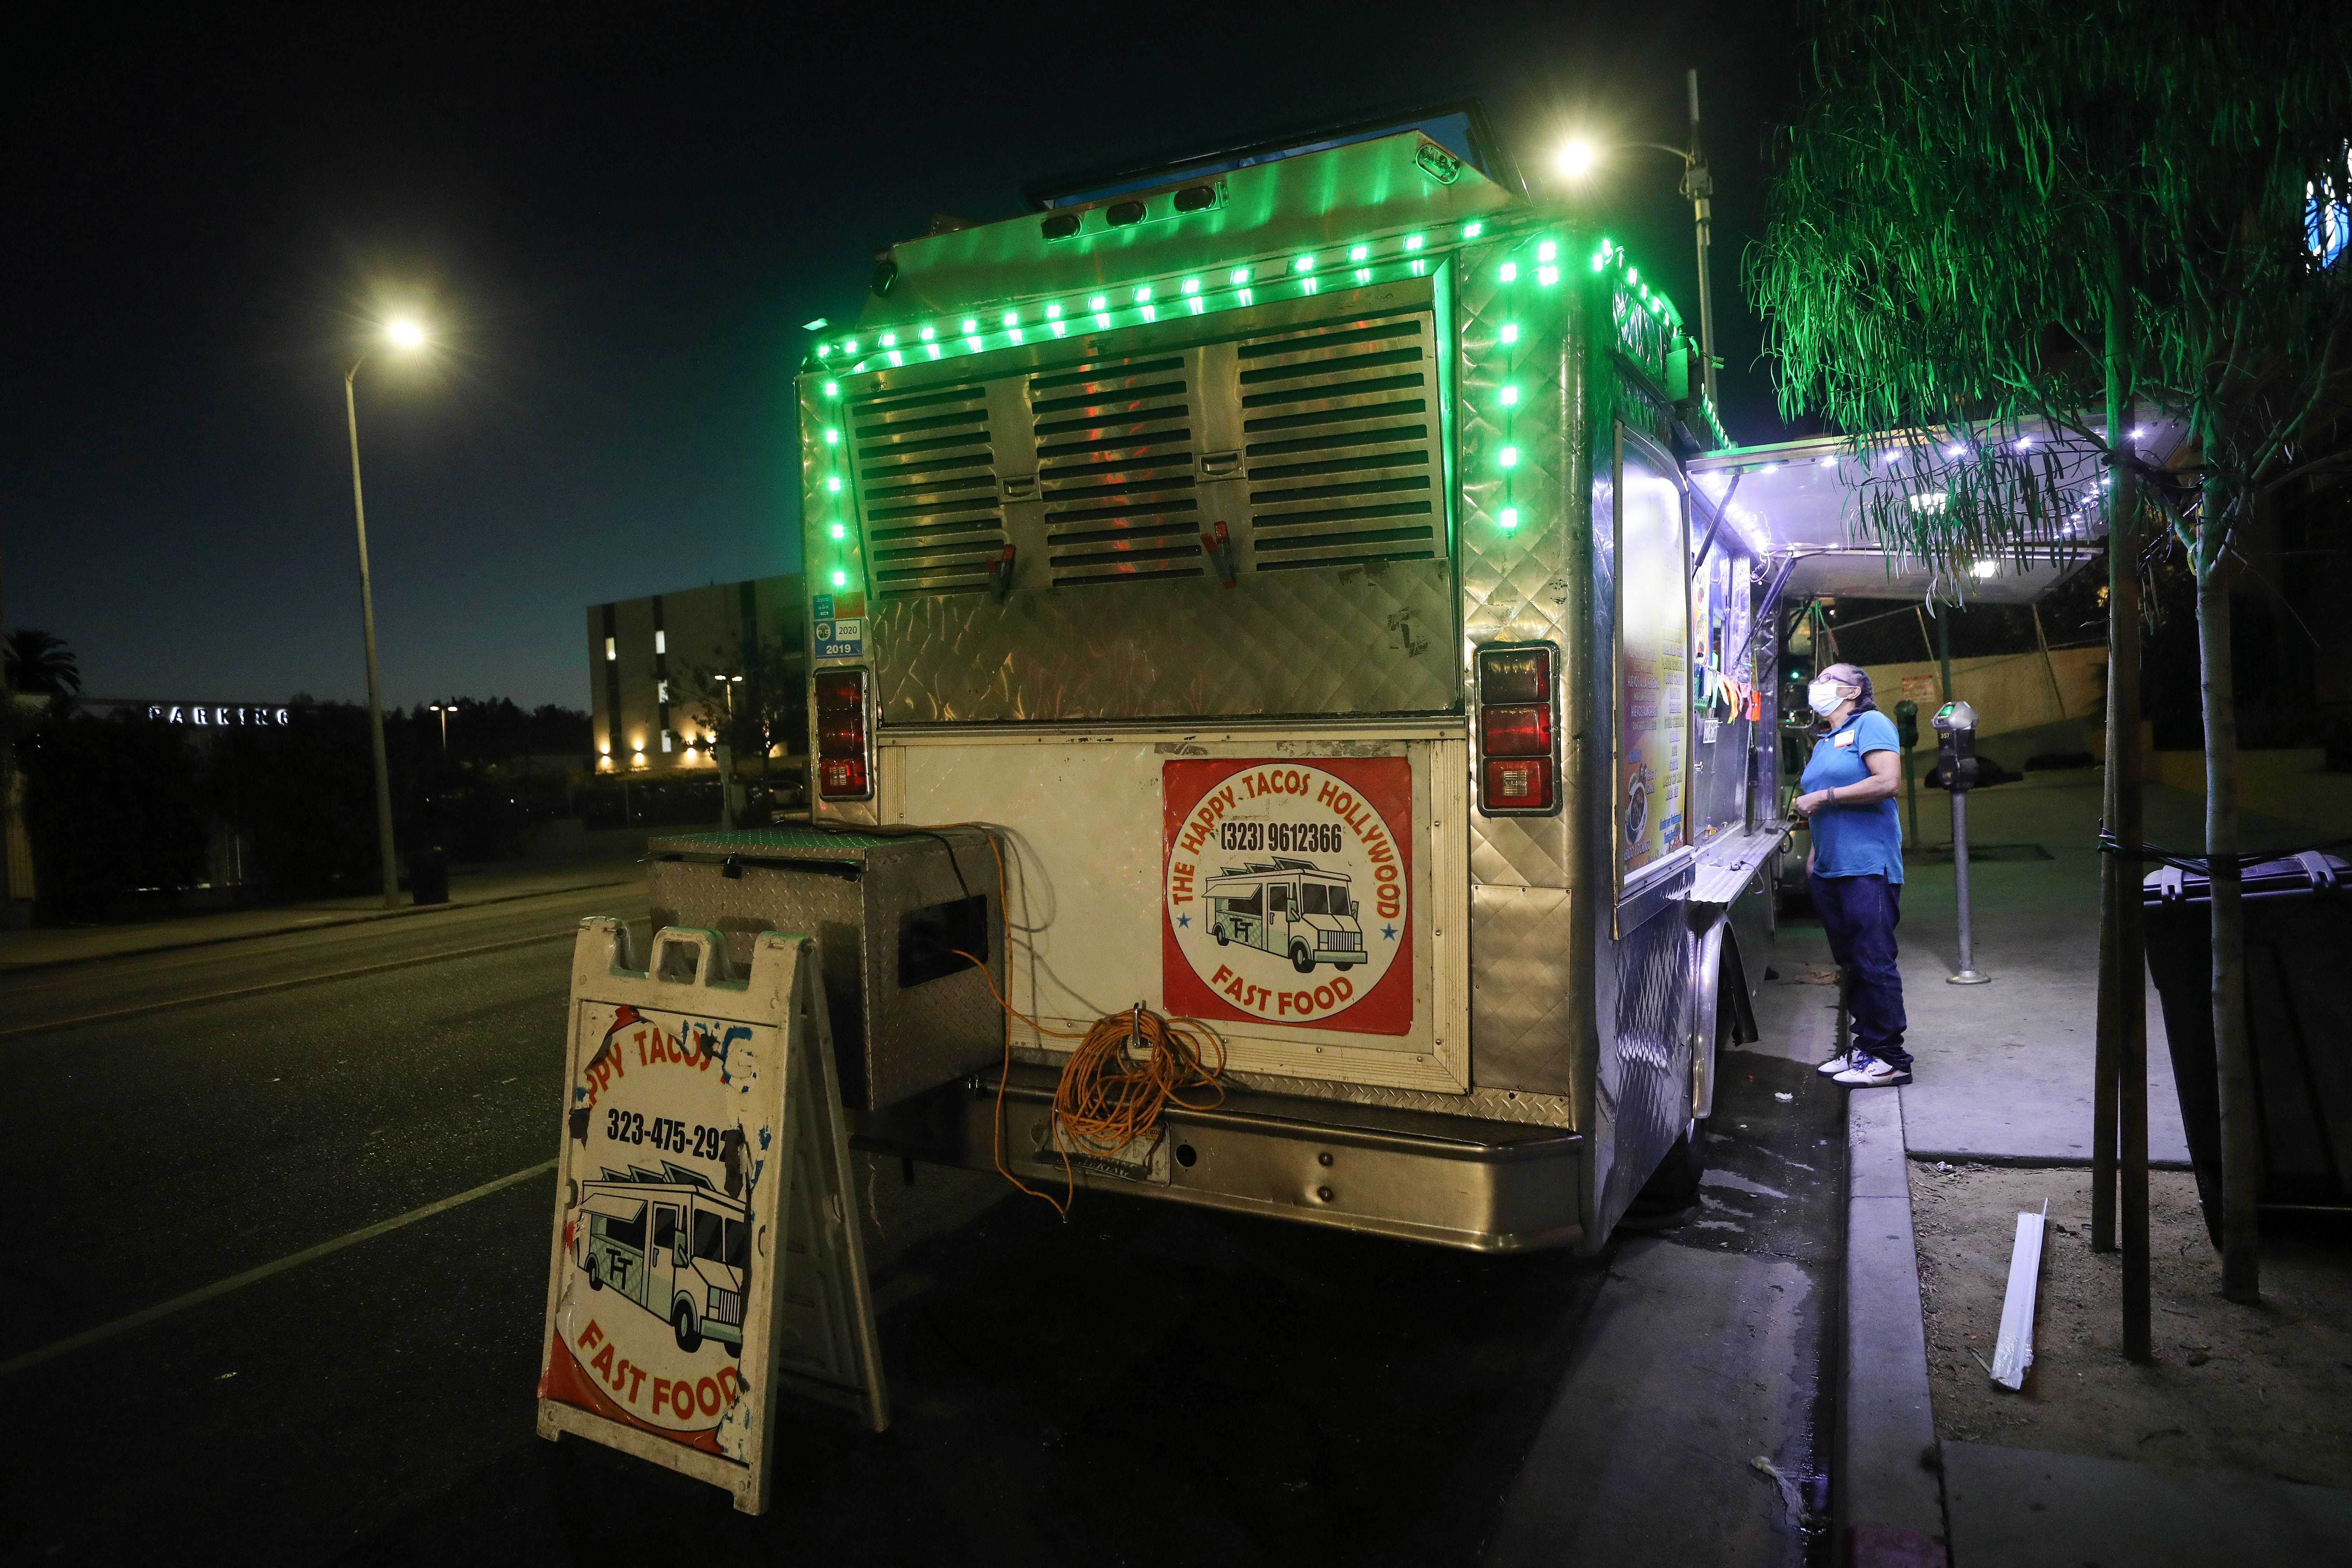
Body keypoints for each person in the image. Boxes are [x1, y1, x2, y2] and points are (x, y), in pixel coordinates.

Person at [1791, 662, 1911, 1086]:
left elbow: (1887, 782)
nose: (1816, 684)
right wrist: (1814, 854)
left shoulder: (1872, 724)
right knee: (1851, 962)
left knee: (1873, 959)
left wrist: (1823, 795)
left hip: (1867, 866)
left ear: (1854, 691)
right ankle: (1865, 1048)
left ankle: (1890, 1058)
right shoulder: (1825, 739)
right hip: (1830, 867)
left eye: (1827, 679)